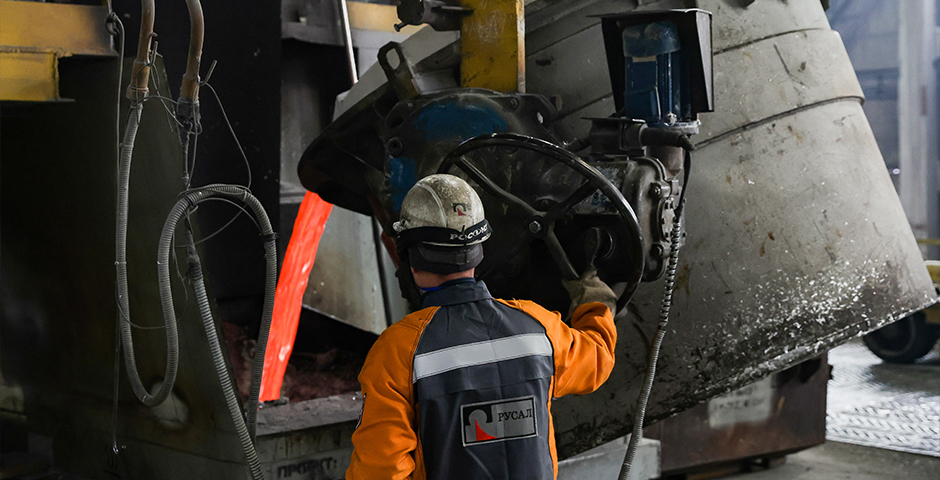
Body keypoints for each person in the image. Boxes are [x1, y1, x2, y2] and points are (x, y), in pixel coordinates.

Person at [347, 174, 618, 480]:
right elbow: (597, 357)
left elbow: (380, 470)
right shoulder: (538, 329)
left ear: (410, 255)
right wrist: (593, 300)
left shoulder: (398, 352)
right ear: (479, 249)